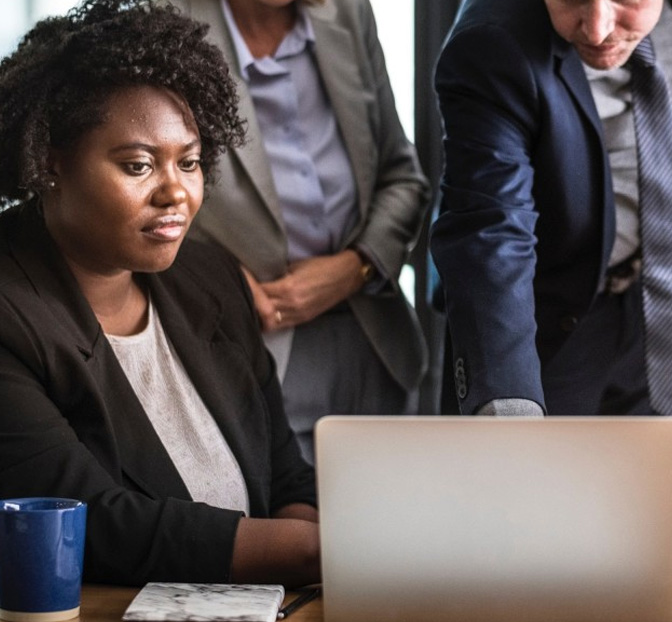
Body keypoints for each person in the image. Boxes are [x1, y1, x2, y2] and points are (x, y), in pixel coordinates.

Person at [0, 0, 318, 587]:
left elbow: (287, 479)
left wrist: (305, 573)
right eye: (139, 166)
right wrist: (312, 552)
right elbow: (97, 524)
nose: (176, 193)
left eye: (190, 162)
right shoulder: (12, 314)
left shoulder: (211, 278)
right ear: (50, 162)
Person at [164, 0, 430, 462]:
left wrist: (358, 266)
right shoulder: (167, 21)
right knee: (291, 527)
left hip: (376, 340)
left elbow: (403, 177)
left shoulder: (348, 12)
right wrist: (222, 281)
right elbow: (139, 196)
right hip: (246, 341)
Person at [431, 0, 672, 417]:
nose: (598, 29)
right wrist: (508, 404)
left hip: (651, 307)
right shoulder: (490, 42)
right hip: (539, 327)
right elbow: (491, 230)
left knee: (650, 479)